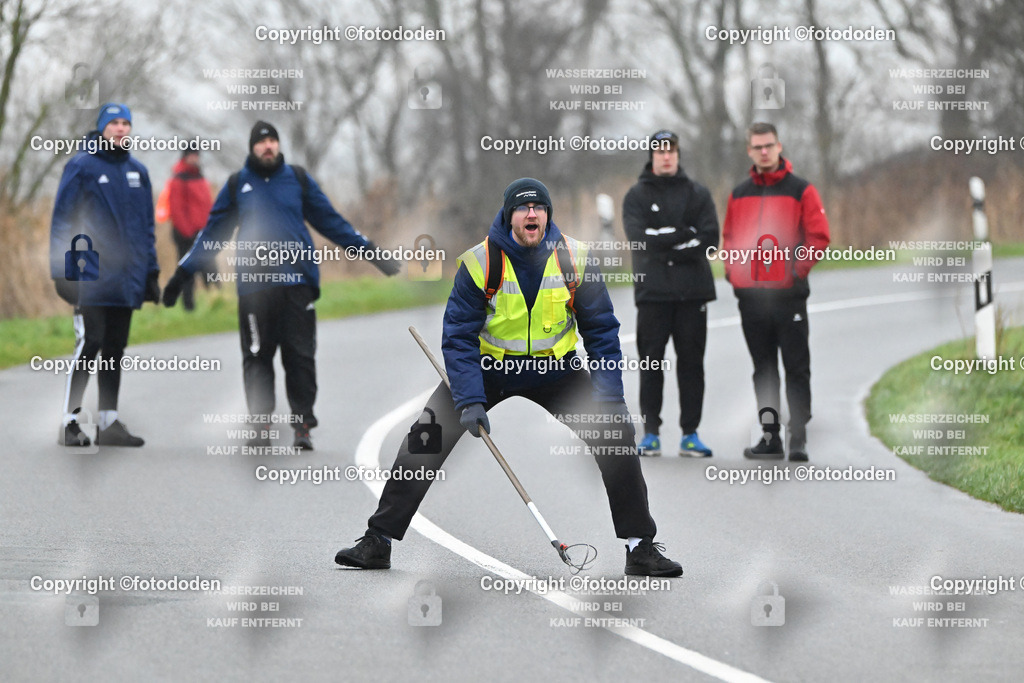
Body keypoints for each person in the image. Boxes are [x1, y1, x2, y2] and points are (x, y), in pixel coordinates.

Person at [335, 178, 684, 577]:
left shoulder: (575, 257)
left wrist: (609, 396)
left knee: (616, 437)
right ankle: (378, 540)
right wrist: (468, 400)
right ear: (509, 215)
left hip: (556, 369)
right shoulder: (479, 263)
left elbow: (602, 332)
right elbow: (459, 338)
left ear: (548, 214)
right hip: (490, 368)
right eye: (523, 208)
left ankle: (639, 548)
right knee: (425, 437)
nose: (531, 213)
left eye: (539, 207)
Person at [162, 121, 400, 451]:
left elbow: (332, 223)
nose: (268, 146)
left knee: (300, 356)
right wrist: (182, 274)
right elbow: (212, 235)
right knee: (257, 356)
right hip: (254, 288)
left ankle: (302, 424)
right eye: (262, 142)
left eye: (273, 140)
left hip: (297, 284)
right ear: (252, 148)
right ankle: (261, 425)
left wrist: (373, 253)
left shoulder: (298, 180)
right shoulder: (236, 185)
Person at [49, 103, 159, 447]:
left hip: (126, 279)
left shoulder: (138, 171)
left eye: (127, 122)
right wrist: (62, 272)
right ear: (102, 128)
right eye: (115, 123)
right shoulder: (81, 166)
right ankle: (69, 422)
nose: (122, 128)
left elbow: (146, 228)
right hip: (90, 275)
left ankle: (108, 423)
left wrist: (151, 273)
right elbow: (63, 221)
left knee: (114, 347)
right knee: (90, 343)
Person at [720, 122, 830, 461]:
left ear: (779, 147)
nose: (764, 151)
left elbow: (819, 237)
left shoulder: (802, 190)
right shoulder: (739, 194)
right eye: (758, 146)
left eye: (769, 145)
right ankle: (770, 436)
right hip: (751, 299)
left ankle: (798, 436)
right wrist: (734, 274)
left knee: (796, 365)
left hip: (788, 297)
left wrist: (794, 272)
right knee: (763, 368)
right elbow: (729, 238)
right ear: (750, 151)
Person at [623, 129, 719, 458]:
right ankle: (651, 434)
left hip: (694, 295)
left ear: (678, 155)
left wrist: (664, 243)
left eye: (671, 151)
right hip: (653, 295)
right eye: (660, 151)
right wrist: (682, 236)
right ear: (651, 155)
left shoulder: (698, 194)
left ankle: (690, 434)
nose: (666, 156)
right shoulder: (635, 196)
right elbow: (639, 240)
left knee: (692, 364)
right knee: (651, 364)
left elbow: (708, 240)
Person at [165, 144, 214, 311]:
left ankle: (214, 302)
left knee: (210, 268)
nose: (194, 158)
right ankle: (188, 306)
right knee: (187, 273)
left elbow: (207, 205)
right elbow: (176, 209)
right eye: (191, 155)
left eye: (196, 155)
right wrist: (187, 232)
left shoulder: (200, 177)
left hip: (203, 232)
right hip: (186, 234)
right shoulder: (179, 179)